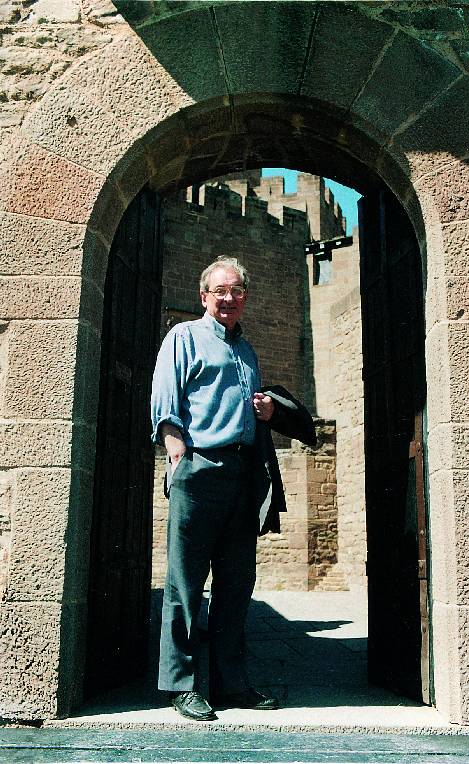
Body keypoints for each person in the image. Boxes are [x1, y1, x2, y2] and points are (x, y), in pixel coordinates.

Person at [150, 256, 279, 721]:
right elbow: (165, 400)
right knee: (185, 583)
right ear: (204, 296)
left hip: (243, 473)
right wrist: (177, 454)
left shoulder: (247, 351)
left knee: (237, 583)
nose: (229, 298)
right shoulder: (183, 337)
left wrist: (266, 412)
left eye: (237, 291)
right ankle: (181, 684)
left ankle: (230, 682)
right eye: (220, 290)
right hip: (200, 467)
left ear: (245, 298)